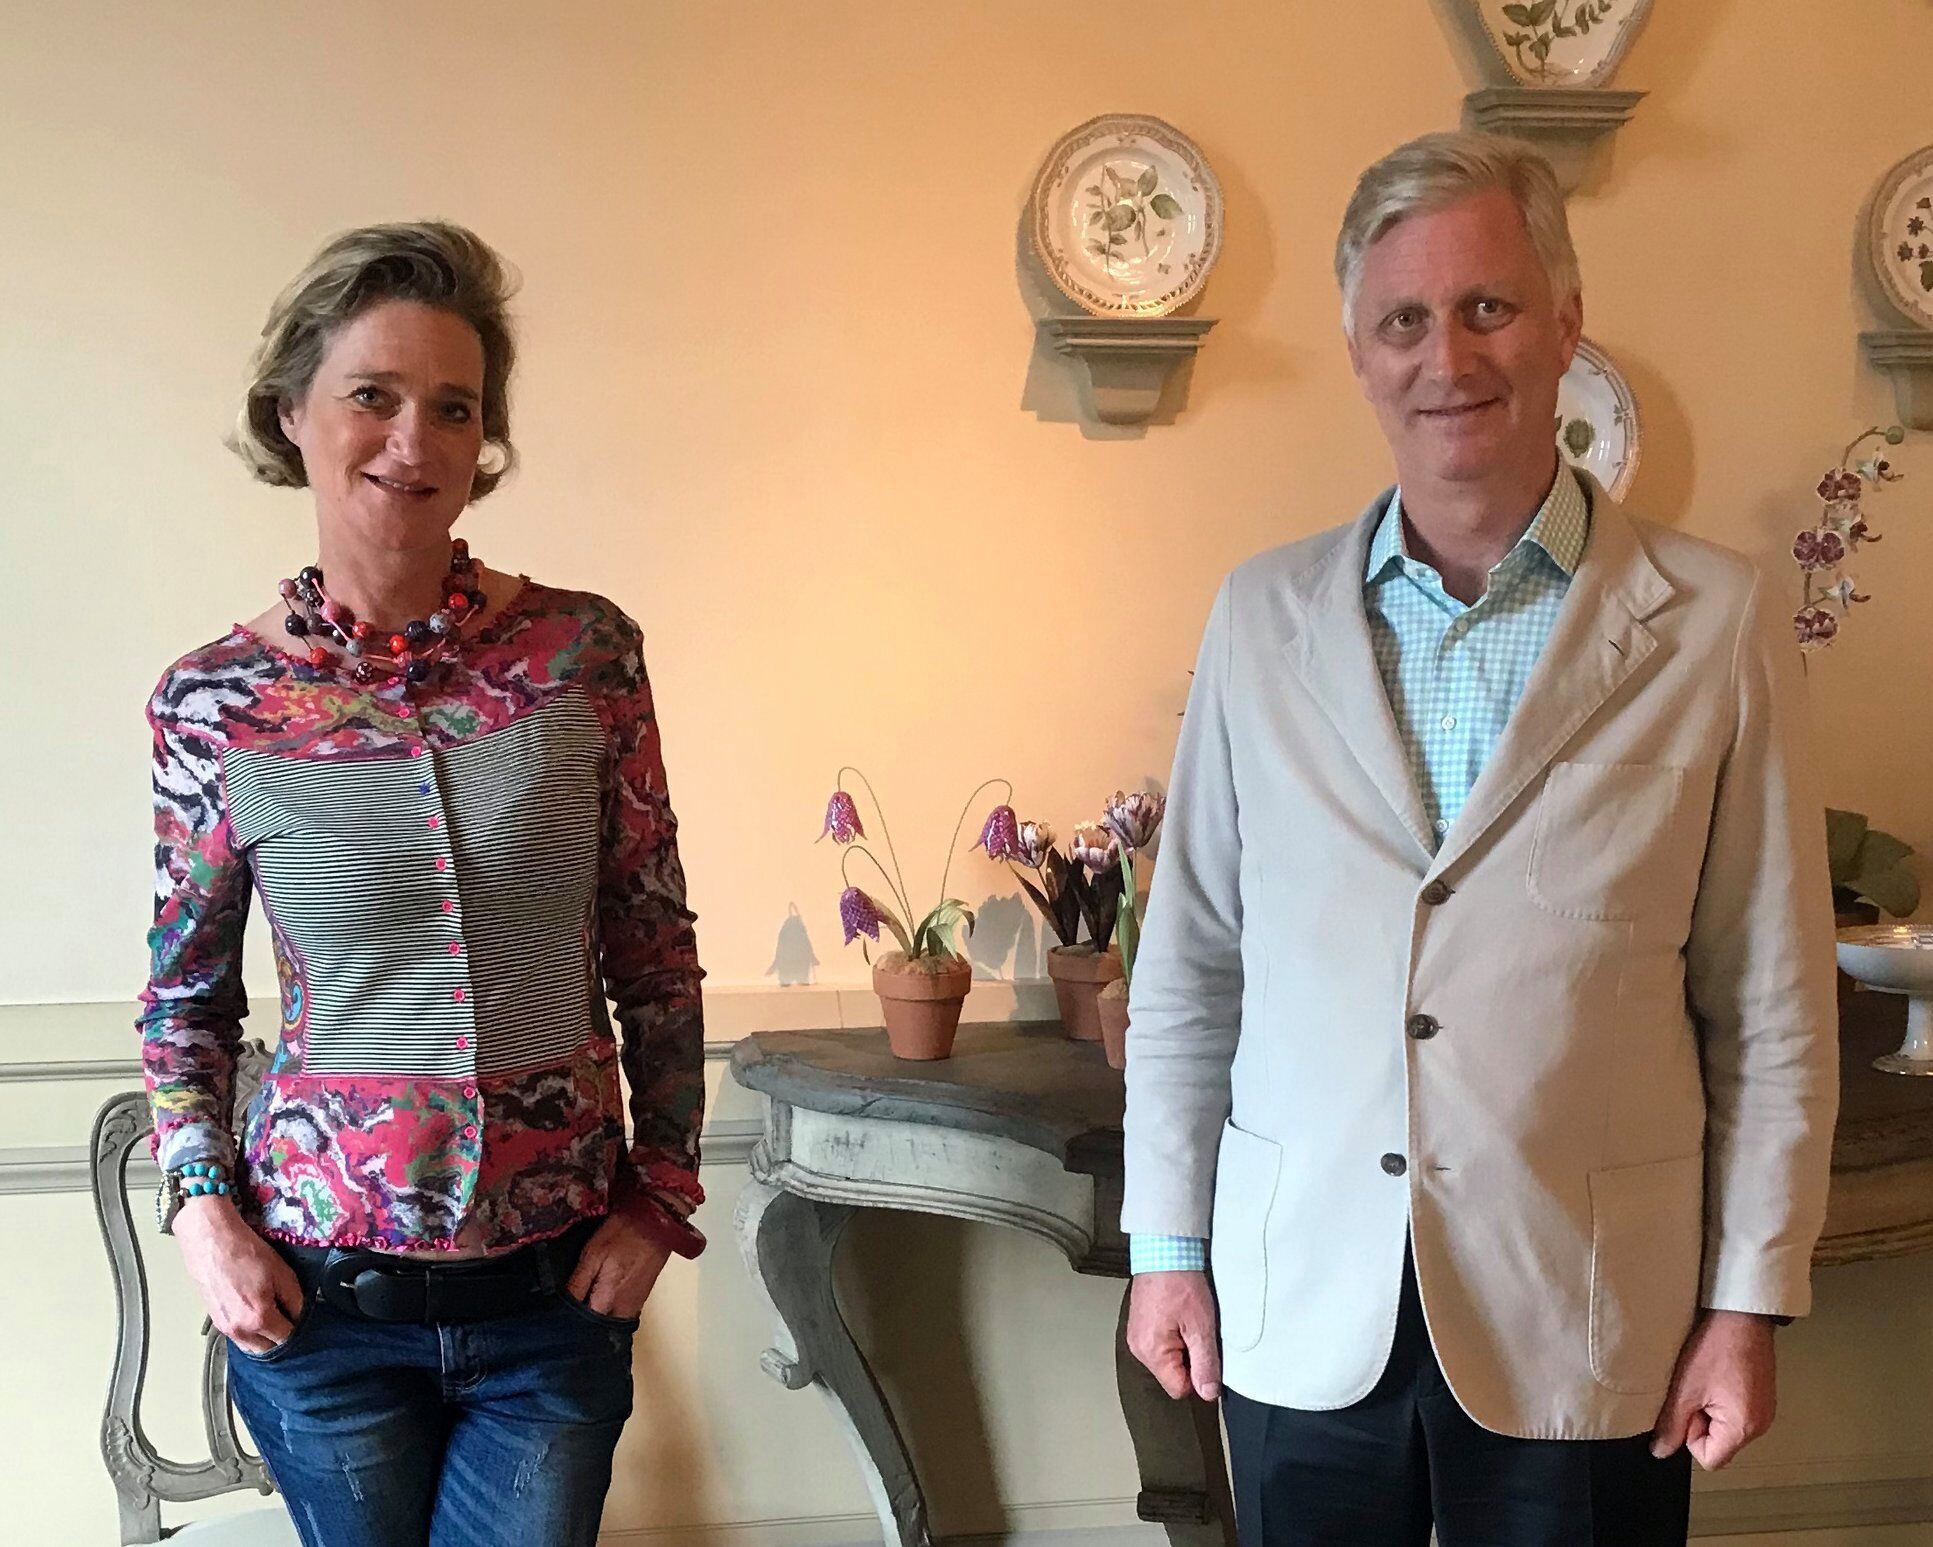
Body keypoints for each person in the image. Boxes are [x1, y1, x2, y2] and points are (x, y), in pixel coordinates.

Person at [1121, 133, 1838, 1547]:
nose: (1444, 356)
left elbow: (1769, 1002)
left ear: (1564, 323)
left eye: (1486, 307)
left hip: (1585, 1312)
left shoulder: (1712, 620)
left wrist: (1748, 1302)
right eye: (1402, 319)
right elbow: (1191, 964)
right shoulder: (1260, 618)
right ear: (1357, 352)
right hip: (1298, 1300)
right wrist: (1167, 1248)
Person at [138, 221, 706, 1547]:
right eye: (373, 395)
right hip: (320, 1308)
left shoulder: (582, 655)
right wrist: (204, 1213)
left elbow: (651, 941)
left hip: (554, 1298)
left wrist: (662, 1197)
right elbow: (183, 1004)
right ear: (293, 413)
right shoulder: (214, 705)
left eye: (454, 406)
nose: (414, 438)